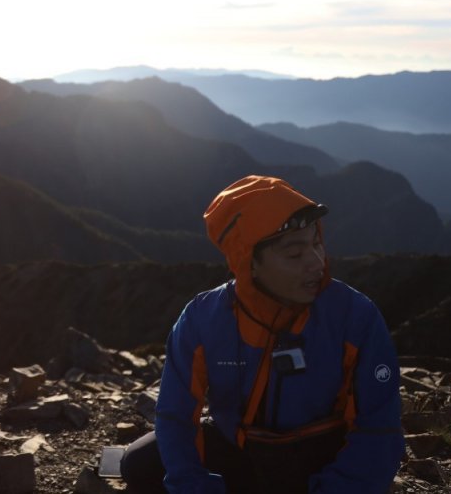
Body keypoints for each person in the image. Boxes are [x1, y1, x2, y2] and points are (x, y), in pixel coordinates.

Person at [118, 175, 404, 493]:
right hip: (240, 447)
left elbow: (378, 426)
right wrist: (194, 486)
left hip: (319, 458)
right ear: (249, 263)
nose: (317, 263)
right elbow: (176, 415)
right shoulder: (204, 319)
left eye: (317, 242)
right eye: (295, 255)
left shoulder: (354, 317)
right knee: (138, 463)